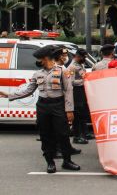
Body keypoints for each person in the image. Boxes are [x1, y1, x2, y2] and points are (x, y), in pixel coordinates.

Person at [0, 45, 81, 174]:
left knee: (63, 134)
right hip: (43, 106)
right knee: (45, 135)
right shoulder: (37, 73)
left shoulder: (62, 71)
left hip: (58, 105)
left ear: (46, 58)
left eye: (40, 59)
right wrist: (10, 95)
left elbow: (68, 91)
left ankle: (67, 161)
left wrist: (69, 110)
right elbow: (28, 90)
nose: (38, 62)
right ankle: (50, 162)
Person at [67, 49, 90, 144]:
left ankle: (85, 134)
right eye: (83, 57)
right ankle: (77, 136)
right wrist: (84, 80)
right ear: (78, 56)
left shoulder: (80, 65)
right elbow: (71, 82)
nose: (84, 58)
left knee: (83, 113)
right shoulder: (72, 67)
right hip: (76, 92)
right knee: (77, 115)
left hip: (81, 91)